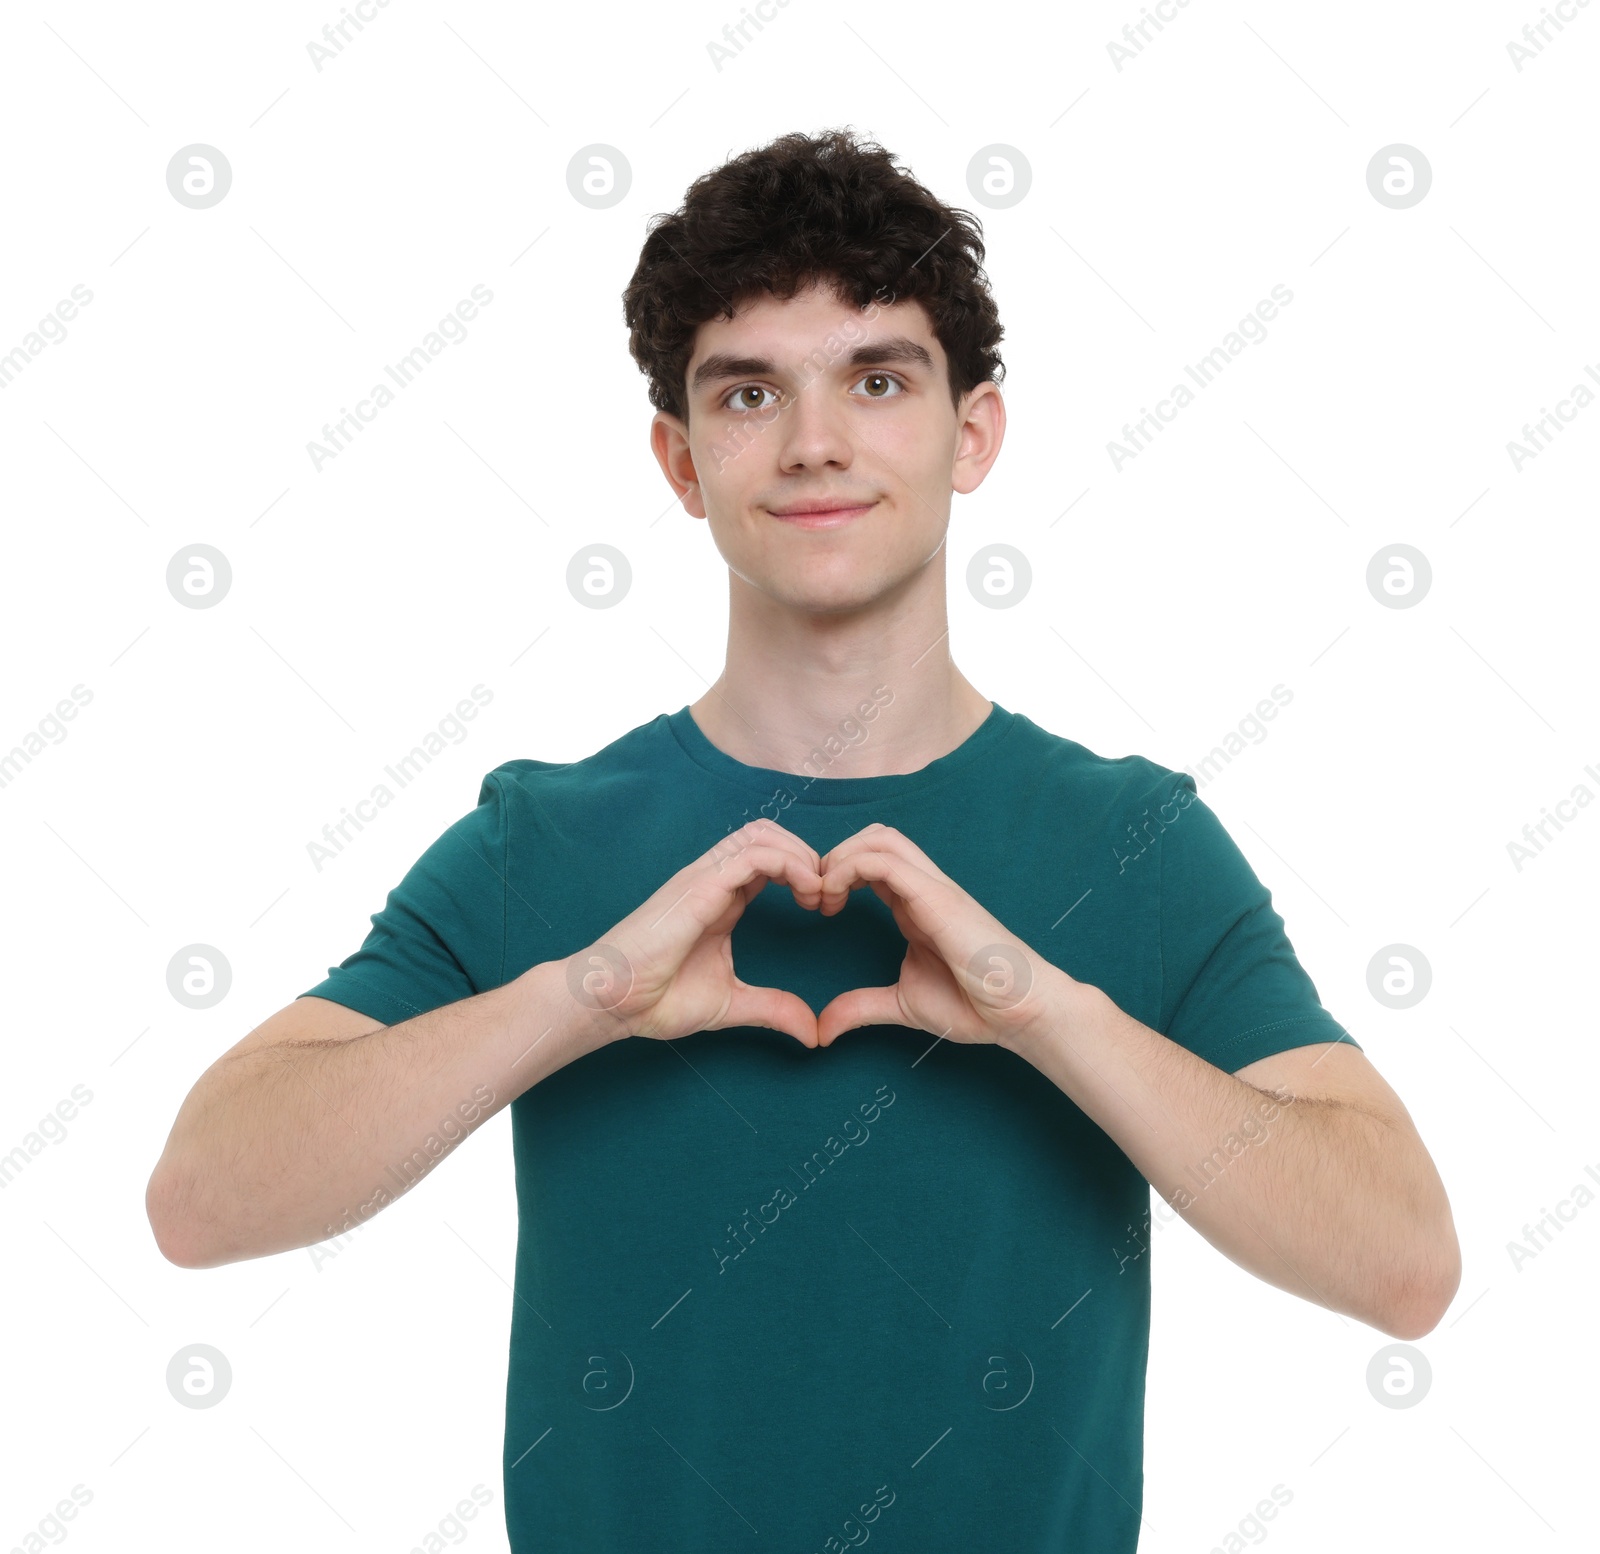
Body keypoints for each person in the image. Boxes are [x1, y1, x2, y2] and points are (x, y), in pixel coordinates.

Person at [146, 127, 1460, 1552]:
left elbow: (1402, 1264)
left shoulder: (1132, 839)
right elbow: (203, 1199)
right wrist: (580, 996)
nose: (817, 440)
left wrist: (1044, 1012)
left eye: (878, 380)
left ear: (973, 433)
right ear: (681, 456)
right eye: (751, 390)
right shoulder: (545, 837)